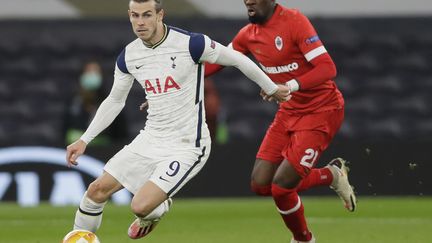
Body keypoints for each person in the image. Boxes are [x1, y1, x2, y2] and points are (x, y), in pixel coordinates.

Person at [65, 0, 291, 240]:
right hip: (150, 138)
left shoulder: (192, 44)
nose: (140, 22)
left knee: (140, 206)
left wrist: (271, 87)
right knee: (95, 191)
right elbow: (114, 101)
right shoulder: (129, 56)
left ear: (160, 14)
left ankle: (157, 207)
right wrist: (84, 140)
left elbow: (237, 59)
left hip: (187, 145)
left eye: (147, 15)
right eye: (135, 16)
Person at [205, 1, 357, 242]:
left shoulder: (294, 22)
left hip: (321, 110)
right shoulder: (248, 35)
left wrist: (290, 86)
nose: (248, 1)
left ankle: (303, 239)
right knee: (261, 185)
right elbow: (218, 62)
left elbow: (327, 67)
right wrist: (177, 88)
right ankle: (331, 175)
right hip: (288, 112)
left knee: (282, 187)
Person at [64, 60, 128, 146]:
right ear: (82, 75)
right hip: (74, 150)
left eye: (95, 72)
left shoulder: (111, 101)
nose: (92, 75)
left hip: (102, 151)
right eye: (89, 71)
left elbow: (120, 133)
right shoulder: (72, 101)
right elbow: (64, 129)